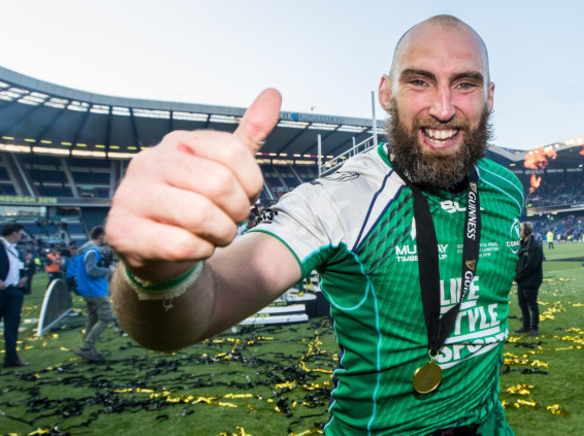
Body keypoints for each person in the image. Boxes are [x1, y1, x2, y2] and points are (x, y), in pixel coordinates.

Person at [107, 15, 523, 435]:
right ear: (386, 92)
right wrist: (156, 271)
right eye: (419, 81)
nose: (444, 108)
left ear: (489, 96)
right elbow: (206, 303)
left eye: (465, 84)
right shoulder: (339, 200)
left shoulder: (506, 187)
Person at [74, 226, 114, 362]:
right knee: (106, 317)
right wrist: (108, 270)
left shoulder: (84, 250)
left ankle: (88, 349)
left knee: (94, 319)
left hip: (89, 289)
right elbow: (91, 270)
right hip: (94, 290)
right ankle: (86, 348)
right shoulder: (91, 251)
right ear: (100, 236)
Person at [0, 223, 30, 367]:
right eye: (20, 233)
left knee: (12, 325)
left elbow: (22, 266)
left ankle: (11, 358)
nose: (21, 236)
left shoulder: (17, 250)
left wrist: (23, 277)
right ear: (14, 233)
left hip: (15, 291)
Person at [513, 222, 543, 338]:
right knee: (522, 304)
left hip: (531, 280)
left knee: (532, 305)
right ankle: (526, 326)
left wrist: (518, 276)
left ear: (526, 231)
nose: (519, 232)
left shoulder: (535, 246)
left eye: (520, 229)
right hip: (522, 280)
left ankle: (534, 328)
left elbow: (531, 266)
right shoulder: (522, 244)